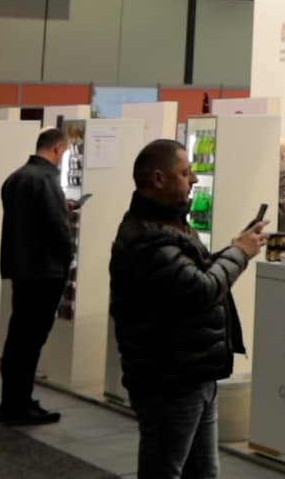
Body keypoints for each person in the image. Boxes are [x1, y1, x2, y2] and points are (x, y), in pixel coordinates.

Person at [111, 138, 264, 479]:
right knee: (165, 470)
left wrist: (233, 249)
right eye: (185, 172)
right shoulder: (150, 239)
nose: (193, 179)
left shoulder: (169, 226)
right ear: (158, 179)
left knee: (203, 471)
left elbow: (195, 274)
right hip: (171, 378)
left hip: (193, 372)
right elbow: (200, 290)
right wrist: (239, 253)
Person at [0, 127, 75, 424]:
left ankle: (13, 400)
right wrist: (68, 257)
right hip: (45, 270)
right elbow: (57, 228)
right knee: (31, 340)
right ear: (58, 148)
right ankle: (19, 406)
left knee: (18, 337)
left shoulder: (15, 177)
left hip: (21, 268)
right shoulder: (46, 179)